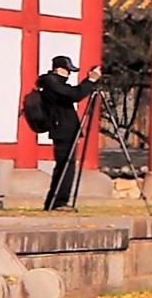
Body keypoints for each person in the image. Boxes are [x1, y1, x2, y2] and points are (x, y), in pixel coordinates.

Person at [26, 57, 102, 210]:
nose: (68, 74)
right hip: (62, 130)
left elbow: (74, 93)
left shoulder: (56, 84)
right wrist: (90, 81)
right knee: (65, 166)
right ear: (59, 69)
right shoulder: (52, 83)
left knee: (66, 166)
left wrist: (89, 82)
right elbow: (74, 95)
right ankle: (58, 202)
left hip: (66, 130)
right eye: (67, 70)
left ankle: (55, 202)